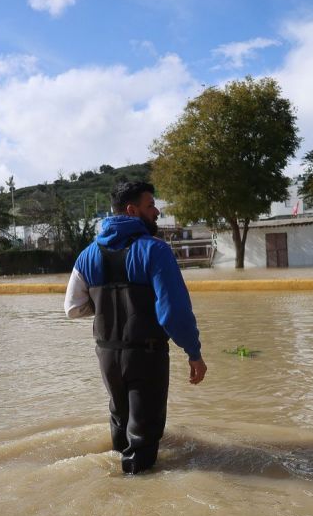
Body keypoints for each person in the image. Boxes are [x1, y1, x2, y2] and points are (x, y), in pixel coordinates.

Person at [65, 181, 207, 474]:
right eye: (150, 205)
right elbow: (173, 313)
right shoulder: (155, 251)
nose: (157, 212)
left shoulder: (87, 255)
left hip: (107, 355)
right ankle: (137, 493)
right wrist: (194, 353)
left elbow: (73, 308)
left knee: (120, 421)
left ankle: (116, 481)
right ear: (132, 210)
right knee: (144, 435)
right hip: (146, 356)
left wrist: (104, 304)